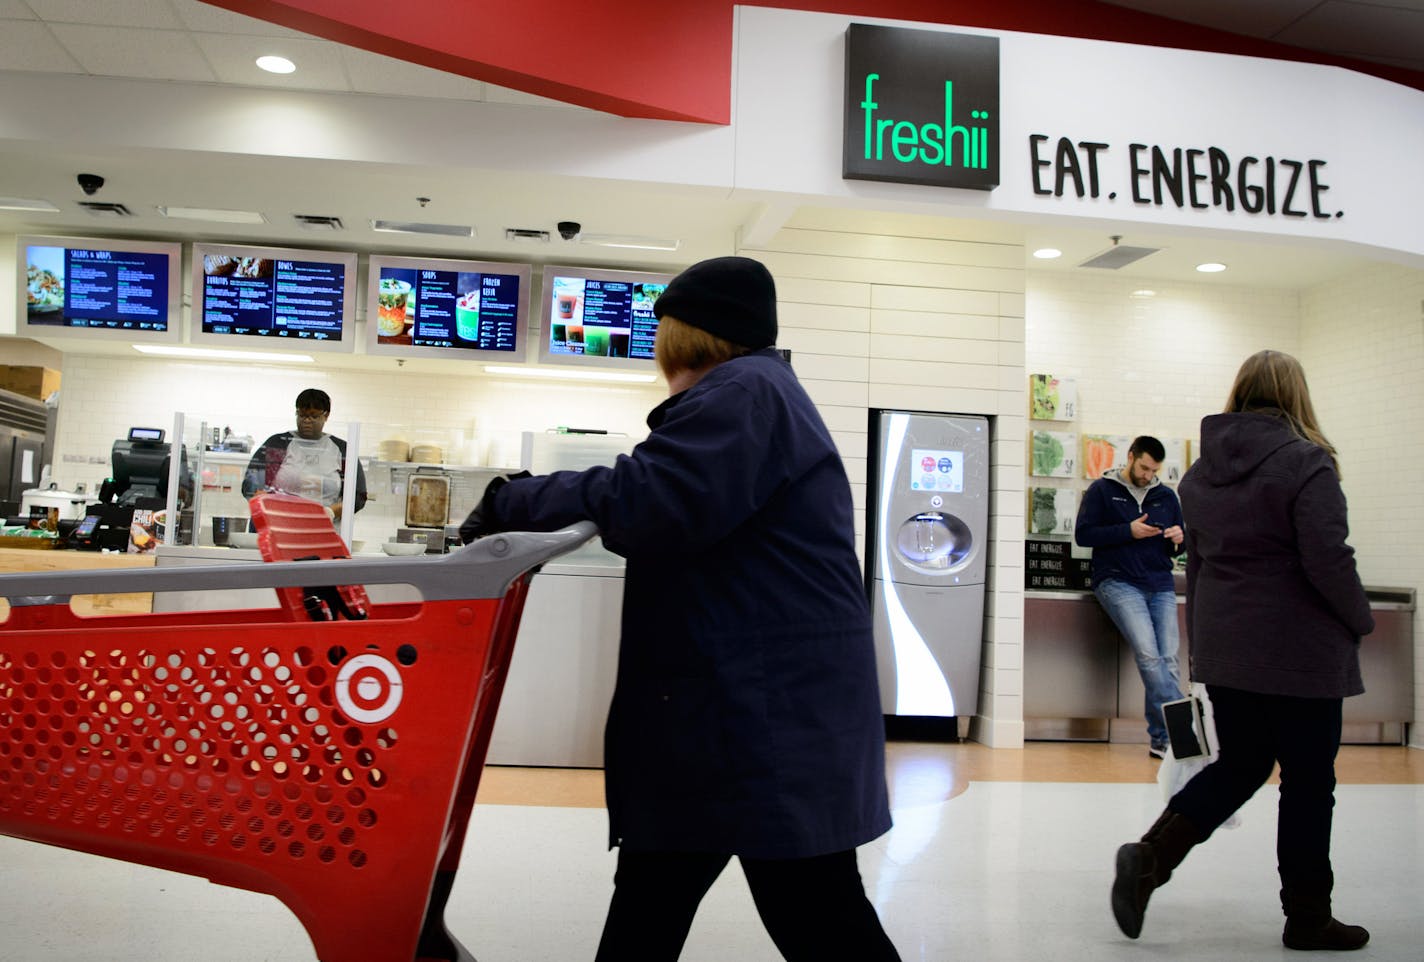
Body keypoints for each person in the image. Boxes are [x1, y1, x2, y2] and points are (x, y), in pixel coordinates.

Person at [460, 256, 900, 961]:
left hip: (760, 720)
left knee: (812, 908)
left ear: (687, 333)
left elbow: (653, 501)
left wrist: (513, 499)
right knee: (672, 892)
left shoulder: (745, 394)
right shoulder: (758, 392)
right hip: (748, 711)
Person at [1111, 350, 1374, 951]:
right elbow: (1327, 557)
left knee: (1243, 763)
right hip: (1300, 649)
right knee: (1308, 781)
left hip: (1230, 644)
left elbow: (1197, 565)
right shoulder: (1309, 462)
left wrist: (1207, 646)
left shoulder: (1201, 473)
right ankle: (1308, 917)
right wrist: (1359, 619)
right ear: (1296, 396)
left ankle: (1151, 858)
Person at [1075, 435, 1186, 757]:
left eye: (1153, 471)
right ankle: (1183, 731)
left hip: (1160, 582)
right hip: (1117, 581)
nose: (1147, 475)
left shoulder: (1166, 496)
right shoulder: (1102, 491)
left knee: (1168, 660)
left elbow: (1178, 542)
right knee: (1150, 656)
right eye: (1143, 467)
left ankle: (1162, 740)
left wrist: (1180, 538)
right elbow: (1084, 535)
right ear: (1131, 456)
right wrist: (1128, 531)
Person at [243, 388, 367, 519]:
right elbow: (251, 484)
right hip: (280, 525)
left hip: (324, 527)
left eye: (314, 416)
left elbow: (358, 496)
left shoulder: (342, 450)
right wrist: (263, 499)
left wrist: (330, 512)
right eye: (302, 415)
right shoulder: (279, 444)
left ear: (326, 415)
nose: (307, 421)